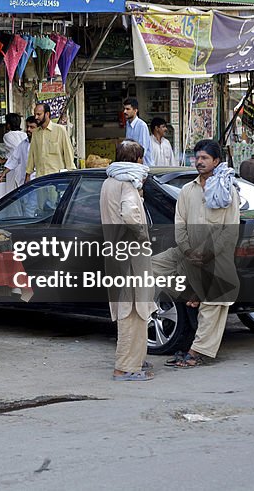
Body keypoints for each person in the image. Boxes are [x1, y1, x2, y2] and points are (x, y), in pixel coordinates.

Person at [153, 140, 240, 368]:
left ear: (216, 161)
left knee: (216, 301)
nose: (199, 162)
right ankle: (190, 293)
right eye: (197, 157)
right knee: (148, 268)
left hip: (216, 259)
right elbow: (179, 223)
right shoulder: (187, 190)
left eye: (204, 158)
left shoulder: (226, 191)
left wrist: (208, 252)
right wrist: (187, 249)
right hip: (187, 254)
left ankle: (198, 352)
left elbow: (230, 230)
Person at [101, 140, 156, 382]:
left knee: (129, 309)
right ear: (136, 160)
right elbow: (130, 214)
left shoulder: (108, 182)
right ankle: (124, 367)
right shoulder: (127, 185)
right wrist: (144, 235)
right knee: (132, 311)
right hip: (131, 254)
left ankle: (134, 361)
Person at [26, 102, 76, 179]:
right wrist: (28, 175)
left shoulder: (60, 130)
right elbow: (31, 156)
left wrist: (71, 175)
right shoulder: (35, 133)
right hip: (40, 179)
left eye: (39, 114)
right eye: (35, 114)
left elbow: (68, 153)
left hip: (57, 179)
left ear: (47, 114)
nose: (36, 117)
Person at [0, 117, 38, 189]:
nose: (28, 129)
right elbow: (14, 158)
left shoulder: (41, 144)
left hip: (37, 182)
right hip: (24, 182)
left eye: (32, 127)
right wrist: (4, 173)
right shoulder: (23, 143)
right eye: (27, 127)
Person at [122, 98, 153, 166]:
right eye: (124, 109)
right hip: (133, 164)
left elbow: (143, 150)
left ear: (135, 110)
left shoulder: (142, 126)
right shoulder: (128, 124)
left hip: (144, 166)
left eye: (128, 109)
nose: (124, 111)